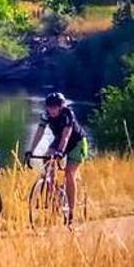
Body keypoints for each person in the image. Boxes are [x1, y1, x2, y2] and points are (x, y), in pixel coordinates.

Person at [26, 92, 88, 224]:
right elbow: (39, 133)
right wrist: (30, 151)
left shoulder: (67, 114)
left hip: (77, 143)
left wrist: (60, 152)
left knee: (69, 173)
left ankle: (71, 211)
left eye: (54, 107)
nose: (52, 110)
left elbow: (66, 136)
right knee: (47, 160)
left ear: (61, 107)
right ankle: (53, 194)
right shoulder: (46, 115)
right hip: (59, 139)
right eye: (49, 107)